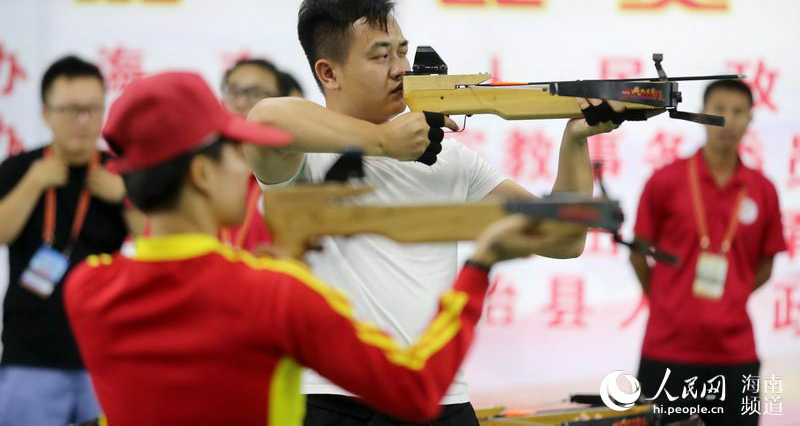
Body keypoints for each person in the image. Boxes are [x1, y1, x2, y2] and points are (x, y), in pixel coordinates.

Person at [64, 71, 574, 426]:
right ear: (200, 173)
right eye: (232, 151)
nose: (245, 166)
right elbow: (415, 391)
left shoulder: (87, 288)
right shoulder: (272, 295)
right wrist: (481, 266)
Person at [245, 0, 623, 425]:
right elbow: (265, 116)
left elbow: (563, 239)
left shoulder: (449, 157)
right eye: (380, 56)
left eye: (402, 51)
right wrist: (382, 140)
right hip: (334, 399)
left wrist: (576, 140)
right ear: (329, 73)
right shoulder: (303, 155)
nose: (399, 69)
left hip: (439, 399)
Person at [630, 80, 786, 425]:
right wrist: (663, 298)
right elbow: (637, 252)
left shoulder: (763, 190)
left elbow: (766, 265)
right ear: (701, 115)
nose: (727, 120)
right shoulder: (665, 180)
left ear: (750, 120)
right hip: (666, 351)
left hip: (736, 355)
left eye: (737, 112)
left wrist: (734, 295)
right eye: (718, 109)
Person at [0, 56, 139, 426]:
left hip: (104, 355)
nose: (83, 120)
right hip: (31, 354)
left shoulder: (120, 172)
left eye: (93, 108)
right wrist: (34, 183)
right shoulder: (18, 168)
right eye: (70, 109)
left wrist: (124, 195)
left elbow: (151, 237)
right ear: (46, 113)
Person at [219, 59, 289, 251]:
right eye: (233, 91)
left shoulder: (294, 172)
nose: (241, 103)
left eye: (256, 93)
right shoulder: (200, 170)